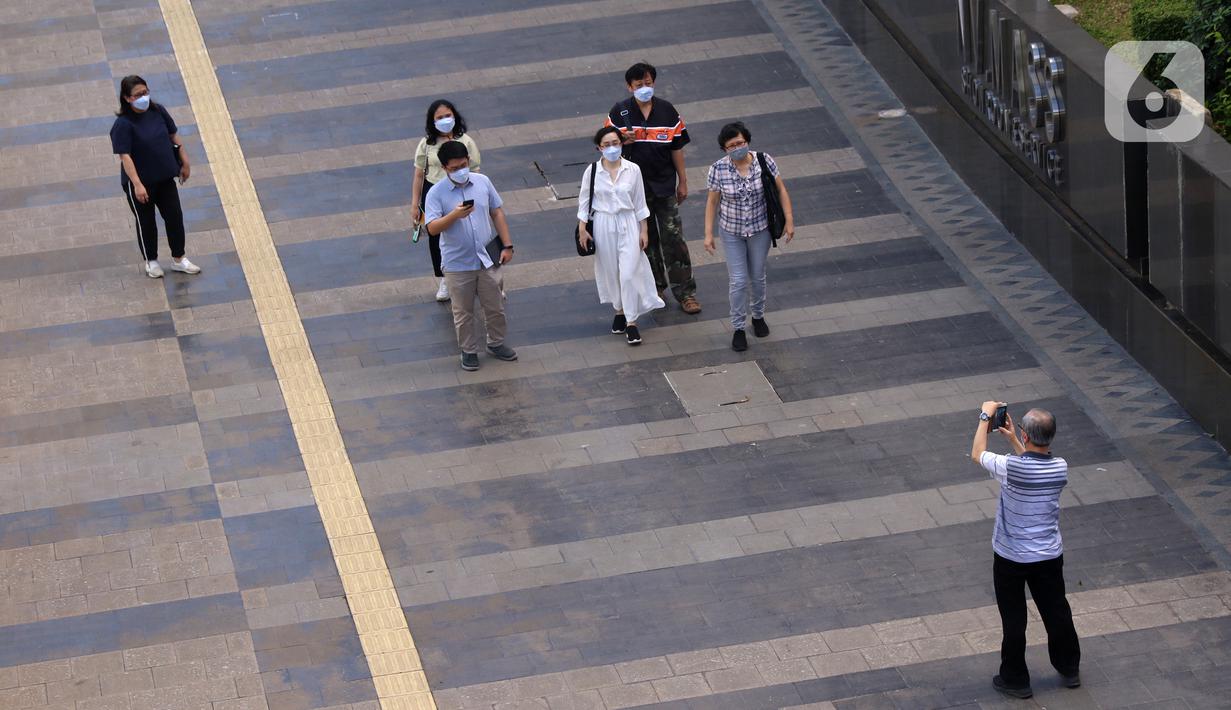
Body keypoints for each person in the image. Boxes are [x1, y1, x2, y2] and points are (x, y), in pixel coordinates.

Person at [971, 402, 1081, 700]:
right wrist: (1014, 441)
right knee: (1056, 610)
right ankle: (1069, 667)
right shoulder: (1060, 468)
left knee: (1014, 618)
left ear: (1027, 434)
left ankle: (1015, 679)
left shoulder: (1013, 468)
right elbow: (1032, 464)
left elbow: (977, 453)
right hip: (1047, 556)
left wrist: (985, 416)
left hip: (1011, 557)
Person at [605, 62, 701, 315]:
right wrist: (620, 140)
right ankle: (655, 287)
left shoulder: (668, 111)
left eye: (648, 83)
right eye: (639, 85)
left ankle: (686, 292)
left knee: (674, 239)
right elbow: (605, 145)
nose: (644, 88)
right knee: (646, 241)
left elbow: (677, 148)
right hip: (634, 190)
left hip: (665, 185)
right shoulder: (619, 113)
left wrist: (683, 180)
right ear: (630, 87)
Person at [424, 141, 516, 371]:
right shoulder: (437, 193)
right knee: (463, 312)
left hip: (487, 258)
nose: (460, 170)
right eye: (454, 168)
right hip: (457, 264)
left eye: (463, 165)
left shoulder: (482, 182)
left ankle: (496, 343)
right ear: (445, 168)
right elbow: (433, 228)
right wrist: (454, 215)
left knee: (495, 306)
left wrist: (507, 245)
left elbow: (496, 211)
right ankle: (468, 350)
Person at [703, 122, 794, 352]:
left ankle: (758, 315)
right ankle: (738, 327)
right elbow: (712, 201)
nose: (737, 148)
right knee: (739, 280)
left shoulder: (764, 160)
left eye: (741, 143)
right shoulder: (718, 169)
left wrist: (789, 220)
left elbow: (781, 189)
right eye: (732, 145)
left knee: (757, 275)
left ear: (748, 141)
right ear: (724, 149)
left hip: (760, 229)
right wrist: (708, 234)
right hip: (731, 231)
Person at [577, 127, 664, 345]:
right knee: (610, 270)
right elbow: (584, 200)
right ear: (599, 147)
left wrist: (644, 230)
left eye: (615, 142)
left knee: (628, 272)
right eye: (606, 145)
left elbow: (640, 201)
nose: (612, 148)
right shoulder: (593, 171)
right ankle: (619, 309)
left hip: (628, 222)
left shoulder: (633, 170)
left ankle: (632, 322)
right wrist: (582, 228)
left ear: (622, 143)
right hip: (603, 223)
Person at [109, 75, 200, 279]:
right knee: (146, 222)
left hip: (164, 177)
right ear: (126, 98)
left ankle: (179, 258)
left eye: (146, 92)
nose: (144, 97)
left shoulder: (158, 111)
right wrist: (138, 185)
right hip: (141, 184)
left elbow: (173, 136)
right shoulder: (123, 125)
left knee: (174, 217)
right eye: (138, 95)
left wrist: (185, 162)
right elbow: (126, 157)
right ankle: (151, 261)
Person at [412, 99, 481, 302]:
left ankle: (481, 275)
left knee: (469, 230)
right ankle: (444, 278)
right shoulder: (426, 144)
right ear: (432, 122)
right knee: (435, 235)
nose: (444, 120)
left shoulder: (466, 141)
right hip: (434, 190)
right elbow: (418, 174)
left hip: (461, 190)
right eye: (439, 118)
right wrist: (415, 204)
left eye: (447, 116)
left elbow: (475, 170)